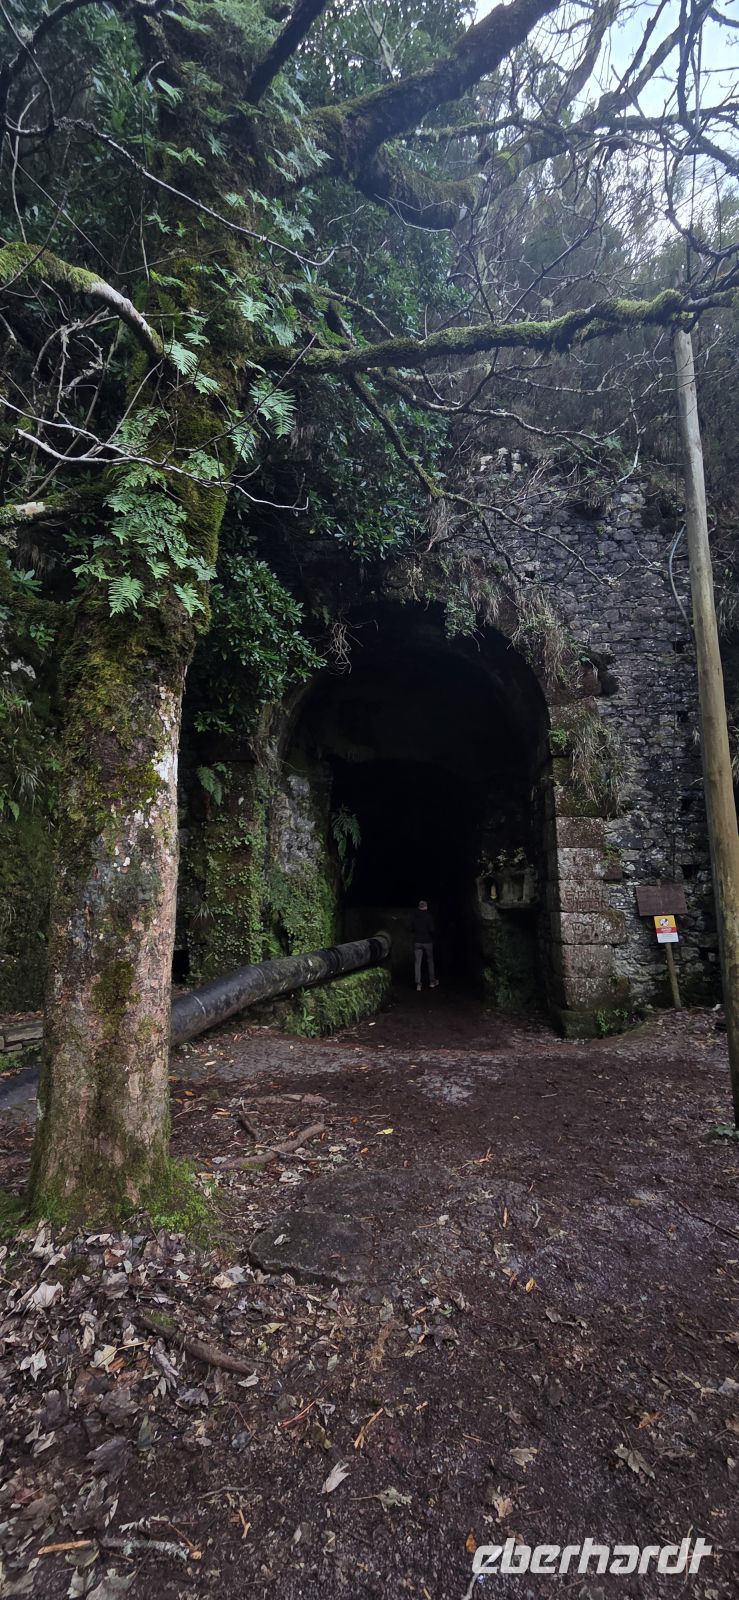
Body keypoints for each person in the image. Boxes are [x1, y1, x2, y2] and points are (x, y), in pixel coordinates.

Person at [412, 900, 439, 991]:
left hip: (417, 942)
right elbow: (432, 930)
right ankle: (432, 982)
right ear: (426, 907)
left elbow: (412, 929)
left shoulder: (415, 917)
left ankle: (418, 985)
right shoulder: (429, 916)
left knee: (417, 963)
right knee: (430, 961)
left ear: (419, 907)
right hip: (427, 942)